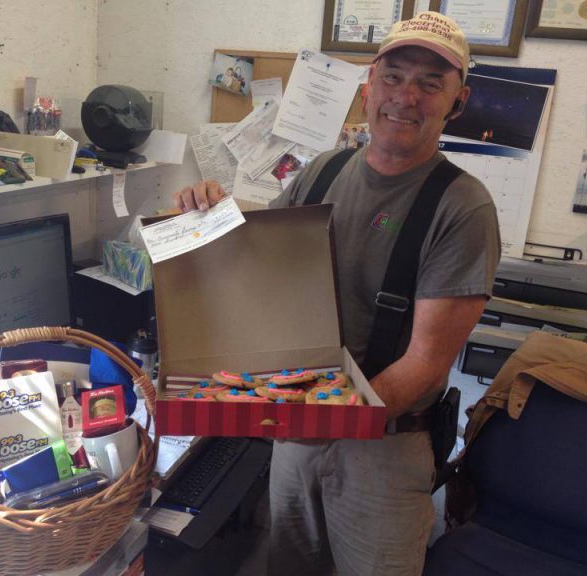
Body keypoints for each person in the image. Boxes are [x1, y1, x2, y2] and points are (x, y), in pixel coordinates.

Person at [173, 11, 500, 576]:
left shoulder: (463, 207)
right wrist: (209, 219)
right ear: (369, 85)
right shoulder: (321, 171)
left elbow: (425, 365)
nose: (406, 96)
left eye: (430, 83)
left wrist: (324, 418)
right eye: (393, 77)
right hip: (299, 433)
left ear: (458, 101)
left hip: (385, 449)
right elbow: (261, 276)